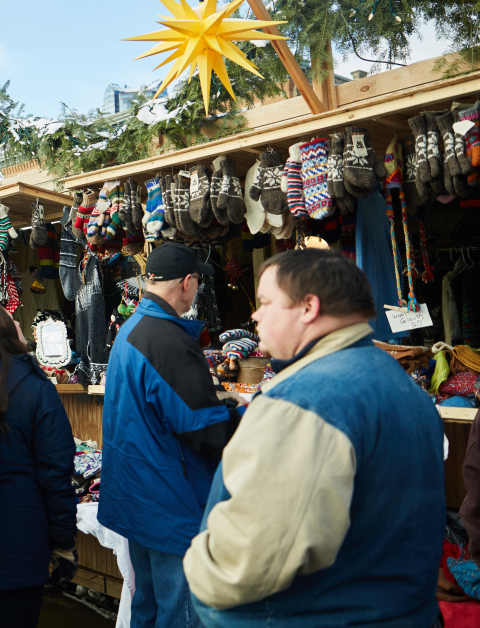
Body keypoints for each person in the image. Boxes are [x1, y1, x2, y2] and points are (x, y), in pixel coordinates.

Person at [183, 249, 444, 626]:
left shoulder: (307, 402)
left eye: (266, 303)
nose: (256, 316)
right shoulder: (401, 386)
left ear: (308, 307)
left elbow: (250, 561)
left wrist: (196, 568)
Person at [98, 242, 240, 628]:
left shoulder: (133, 329)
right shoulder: (166, 339)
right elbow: (203, 429)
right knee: (180, 615)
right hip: (170, 507)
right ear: (189, 283)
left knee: (148, 609)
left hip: (140, 500)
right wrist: (245, 415)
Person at [0, 304, 75, 627]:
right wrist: (63, 542)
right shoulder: (35, 388)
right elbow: (56, 472)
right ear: (8, 335)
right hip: (20, 542)